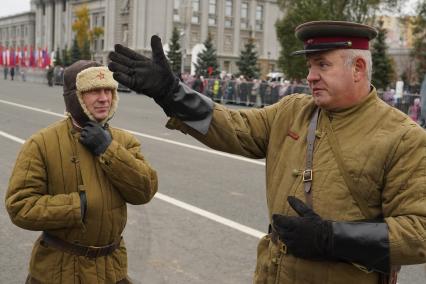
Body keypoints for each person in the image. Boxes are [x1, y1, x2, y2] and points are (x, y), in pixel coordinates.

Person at [108, 21, 426, 284]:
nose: (311, 76)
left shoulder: (403, 137)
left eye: (322, 65)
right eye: (310, 65)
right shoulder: (293, 110)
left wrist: (332, 238)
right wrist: (172, 93)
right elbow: (235, 126)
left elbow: (419, 231)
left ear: (357, 68)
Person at [5, 60, 158, 284]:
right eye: (94, 91)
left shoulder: (125, 142)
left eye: (108, 90)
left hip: (111, 272)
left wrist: (109, 150)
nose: (104, 98)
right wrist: (77, 206)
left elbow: (144, 191)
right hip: (59, 273)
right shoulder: (41, 143)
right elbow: (20, 206)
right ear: (74, 96)